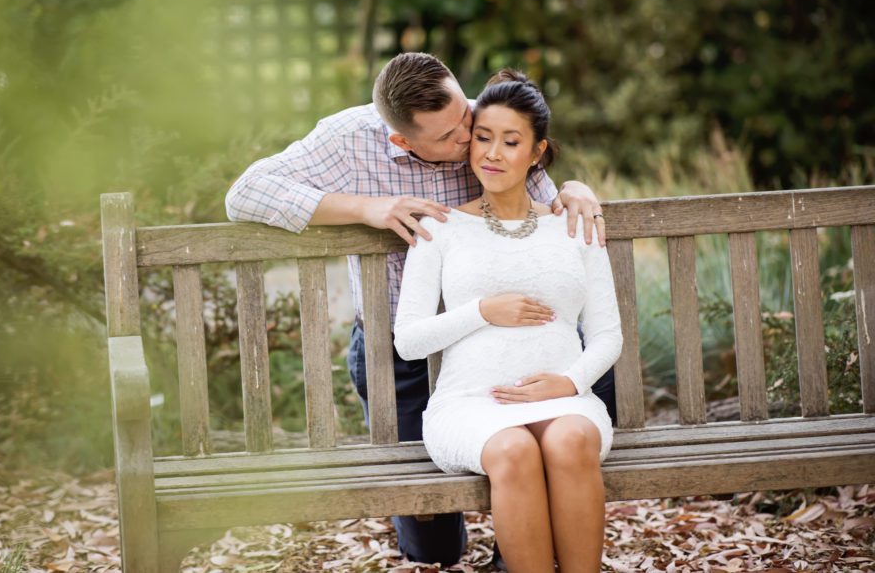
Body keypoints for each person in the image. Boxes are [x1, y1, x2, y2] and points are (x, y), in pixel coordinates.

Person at [225, 52, 615, 568]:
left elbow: (537, 199)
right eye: (454, 135)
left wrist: (574, 188)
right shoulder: (347, 140)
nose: (470, 137)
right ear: (402, 141)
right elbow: (246, 193)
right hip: (402, 352)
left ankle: (515, 557)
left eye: (466, 117)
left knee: (552, 449)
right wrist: (369, 208)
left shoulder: (479, 123)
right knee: (434, 543)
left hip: (521, 355)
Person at [394, 68, 621, 572]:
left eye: (510, 141)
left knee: (571, 439)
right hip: (473, 406)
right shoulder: (441, 228)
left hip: (566, 400)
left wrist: (568, 382)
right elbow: (408, 341)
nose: (492, 153)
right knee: (515, 450)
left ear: (537, 151)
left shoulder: (574, 224)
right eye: (483, 137)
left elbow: (607, 334)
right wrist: (481, 311)